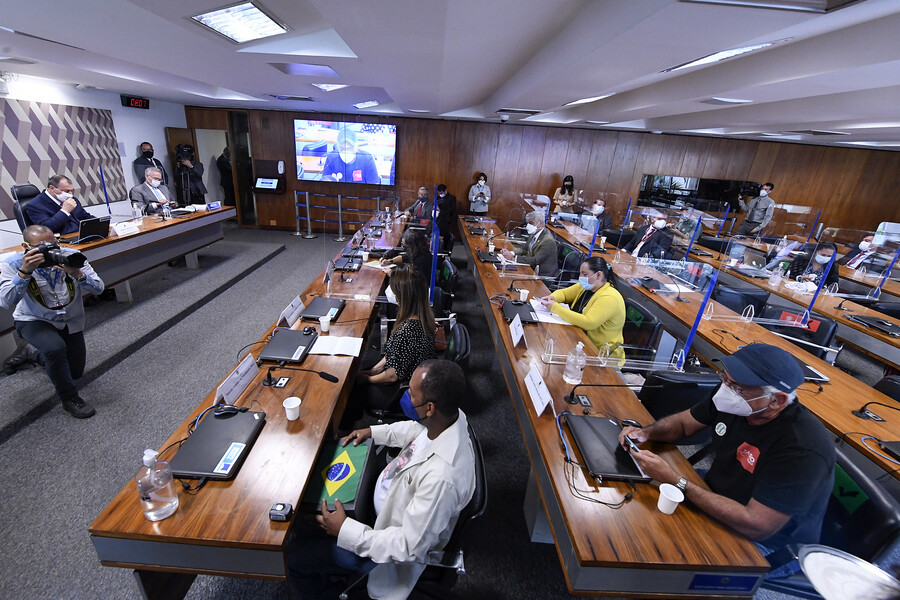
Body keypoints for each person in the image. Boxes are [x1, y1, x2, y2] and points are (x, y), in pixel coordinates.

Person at [618, 343, 834, 559]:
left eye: (738, 387)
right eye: (725, 378)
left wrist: (676, 481)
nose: (726, 389)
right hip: (717, 491)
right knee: (632, 507)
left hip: (766, 543)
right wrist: (646, 433)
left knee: (662, 552)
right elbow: (684, 424)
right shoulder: (734, 399)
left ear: (777, 400)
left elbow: (757, 525)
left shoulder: (804, 449)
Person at [287, 359, 476, 600]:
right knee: (307, 521)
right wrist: (374, 432)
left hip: (384, 546)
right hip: (385, 502)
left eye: (412, 393)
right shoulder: (449, 418)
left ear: (429, 408)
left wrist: (345, 530)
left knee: (295, 557)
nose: (406, 394)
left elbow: (406, 547)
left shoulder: (442, 480)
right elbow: (415, 431)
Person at [0, 225, 105, 418]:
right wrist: (25, 272)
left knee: (74, 373)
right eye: (43, 248)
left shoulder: (71, 256)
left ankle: (31, 353)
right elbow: (6, 301)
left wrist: (77, 274)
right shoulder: (13, 263)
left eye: (53, 245)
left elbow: (99, 288)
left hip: (69, 319)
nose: (51, 252)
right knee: (55, 348)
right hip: (33, 319)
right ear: (26, 246)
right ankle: (70, 399)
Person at [347, 264, 436, 415]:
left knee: (351, 390)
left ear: (402, 296)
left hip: (401, 390)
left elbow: (391, 377)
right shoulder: (424, 317)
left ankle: (345, 430)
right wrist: (374, 370)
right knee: (364, 369)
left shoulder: (406, 330)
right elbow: (394, 353)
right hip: (411, 374)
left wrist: (367, 379)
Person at [538, 257, 625, 361]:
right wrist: (553, 297)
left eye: (585, 274)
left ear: (598, 275)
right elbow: (565, 294)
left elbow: (588, 322)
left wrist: (556, 308)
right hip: (578, 340)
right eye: (580, 274)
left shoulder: (610, 297)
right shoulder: (588, 286)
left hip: (601, 355)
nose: (581, 277)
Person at [24, 175, 93, 236]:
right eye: (66, 191)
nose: (70, 194)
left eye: (71, 190)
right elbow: (46, 229)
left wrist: (100, 223)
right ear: (52, 188)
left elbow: (84, 216)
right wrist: (65, 211)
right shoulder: (35, 205)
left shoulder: (71, 198)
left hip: (80, 235)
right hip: (62, 240)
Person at [501, 210, 559, 277]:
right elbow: (524, 250)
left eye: (531, 223)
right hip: (530, 268)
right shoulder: (534, 233)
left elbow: (535, 260)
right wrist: (511, 253)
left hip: (542, 275)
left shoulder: (547, 240)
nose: (528, 226)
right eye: (527, 223)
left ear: (540, 223)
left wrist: (513, 258)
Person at [435, 184, 457, 251]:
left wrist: (442, 209)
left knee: (443, 226)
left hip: (448, 219)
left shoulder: (452, 198)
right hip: (439, 218)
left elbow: (452, 210)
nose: (440, 194)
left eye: (441, 193)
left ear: (445, 191)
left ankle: (443, 248)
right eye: (439, 193)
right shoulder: (438, 198)